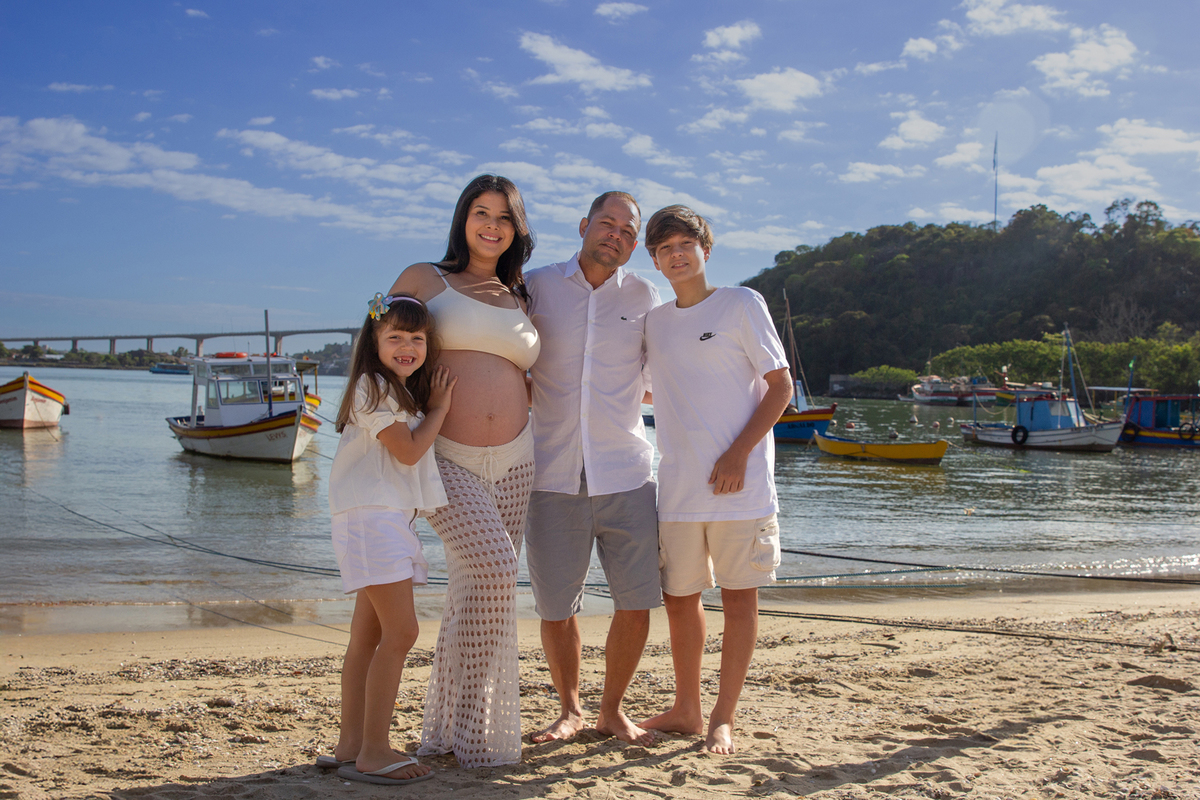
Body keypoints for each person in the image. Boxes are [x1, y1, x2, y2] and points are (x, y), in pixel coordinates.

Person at [387, 174, 540, 768]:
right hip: (444, 454)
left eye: (504, 216)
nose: (491, 225)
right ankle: (477, 726)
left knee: (475, 591)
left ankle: (448, 729)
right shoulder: (426, 278)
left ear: (516, 229)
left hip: (517, 459)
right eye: (481, 212)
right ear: (463, 218)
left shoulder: (519, 295)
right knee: (496, 569)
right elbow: (379, 349)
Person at [640, 205, 793, 755]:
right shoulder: (655, 322)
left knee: (739, 601)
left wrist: (737, 454)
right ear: (655, 260)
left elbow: (780, 386)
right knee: (679, 598)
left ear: (705, 249)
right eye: (664, 248)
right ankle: (687, 708)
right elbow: (651, 389)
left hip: (740, 486)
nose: (676, 255)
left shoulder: (741, 303)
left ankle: (723, 717)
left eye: (685, 244)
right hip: (679, 487)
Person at [524, 192, 662, 745]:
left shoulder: (645, 295)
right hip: (550, 471)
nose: (615, 235)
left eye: (627, 231)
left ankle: (612, 711)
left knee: (636, 600)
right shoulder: (535, 285)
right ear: (584, 225)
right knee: (556, 606)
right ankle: (569, 710)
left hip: (626, 471)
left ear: (635, 245)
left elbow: (658, 377)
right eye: (607, 223)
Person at [325, 293, 454, 786]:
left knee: (368, 637)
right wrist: (440, 409)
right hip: (372, 520)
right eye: (395, 336)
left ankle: (352, 744)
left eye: (417, 338)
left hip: (381, 518)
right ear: (373, 342)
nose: (407, 346)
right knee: (402, 634)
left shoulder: (392, 390)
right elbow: (407, 451)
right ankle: (375, 751)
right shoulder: (374, 385)